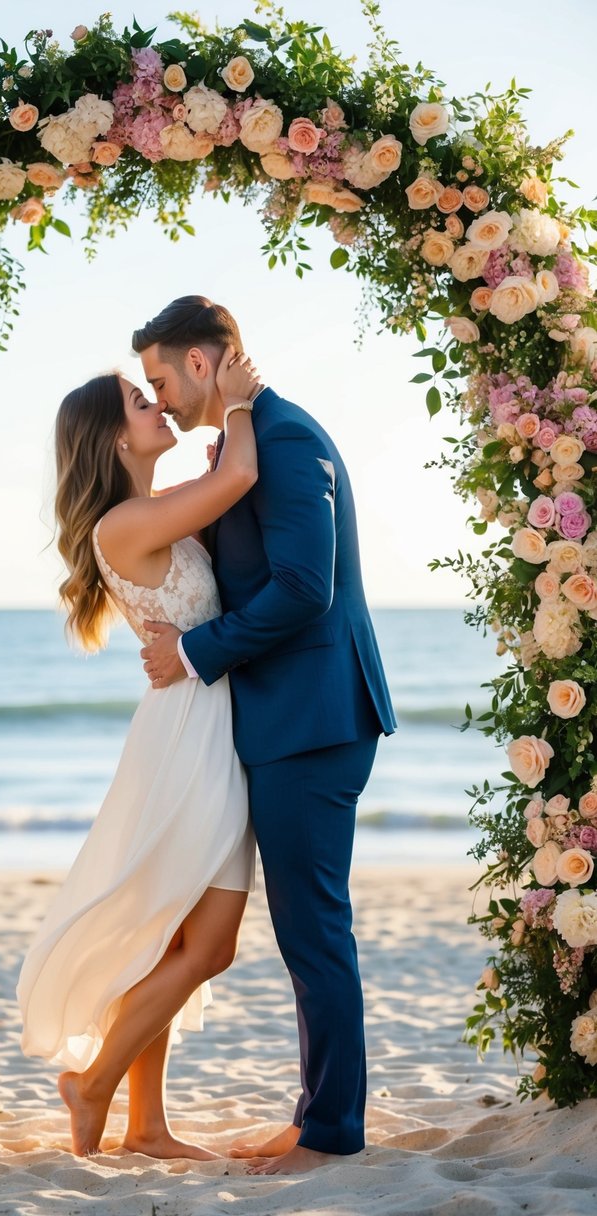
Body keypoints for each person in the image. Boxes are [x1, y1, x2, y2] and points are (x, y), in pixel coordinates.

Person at [136, 295, 397, 1175]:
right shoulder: (245, 440)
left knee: (314, 930)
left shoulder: (283, 440)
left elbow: (301, 589)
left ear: (202, 364)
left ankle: (329, 1133)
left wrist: (194, 652)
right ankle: (317, 1116)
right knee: (304, 930)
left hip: (314, 718)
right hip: (288, 718)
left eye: (161, 379)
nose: (160, 397)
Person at [16, 349, 262, 1160]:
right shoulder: (121, 524)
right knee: (209, 944)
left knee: (167, 938)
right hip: (186, 743)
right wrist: (233, 404)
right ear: (114, 441)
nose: (155, 402)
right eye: (137, 398)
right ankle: (92, 1084)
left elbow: (221, 503)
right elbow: (233, 485)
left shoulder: (151, 510)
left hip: (199, 728)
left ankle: (145, 1124)